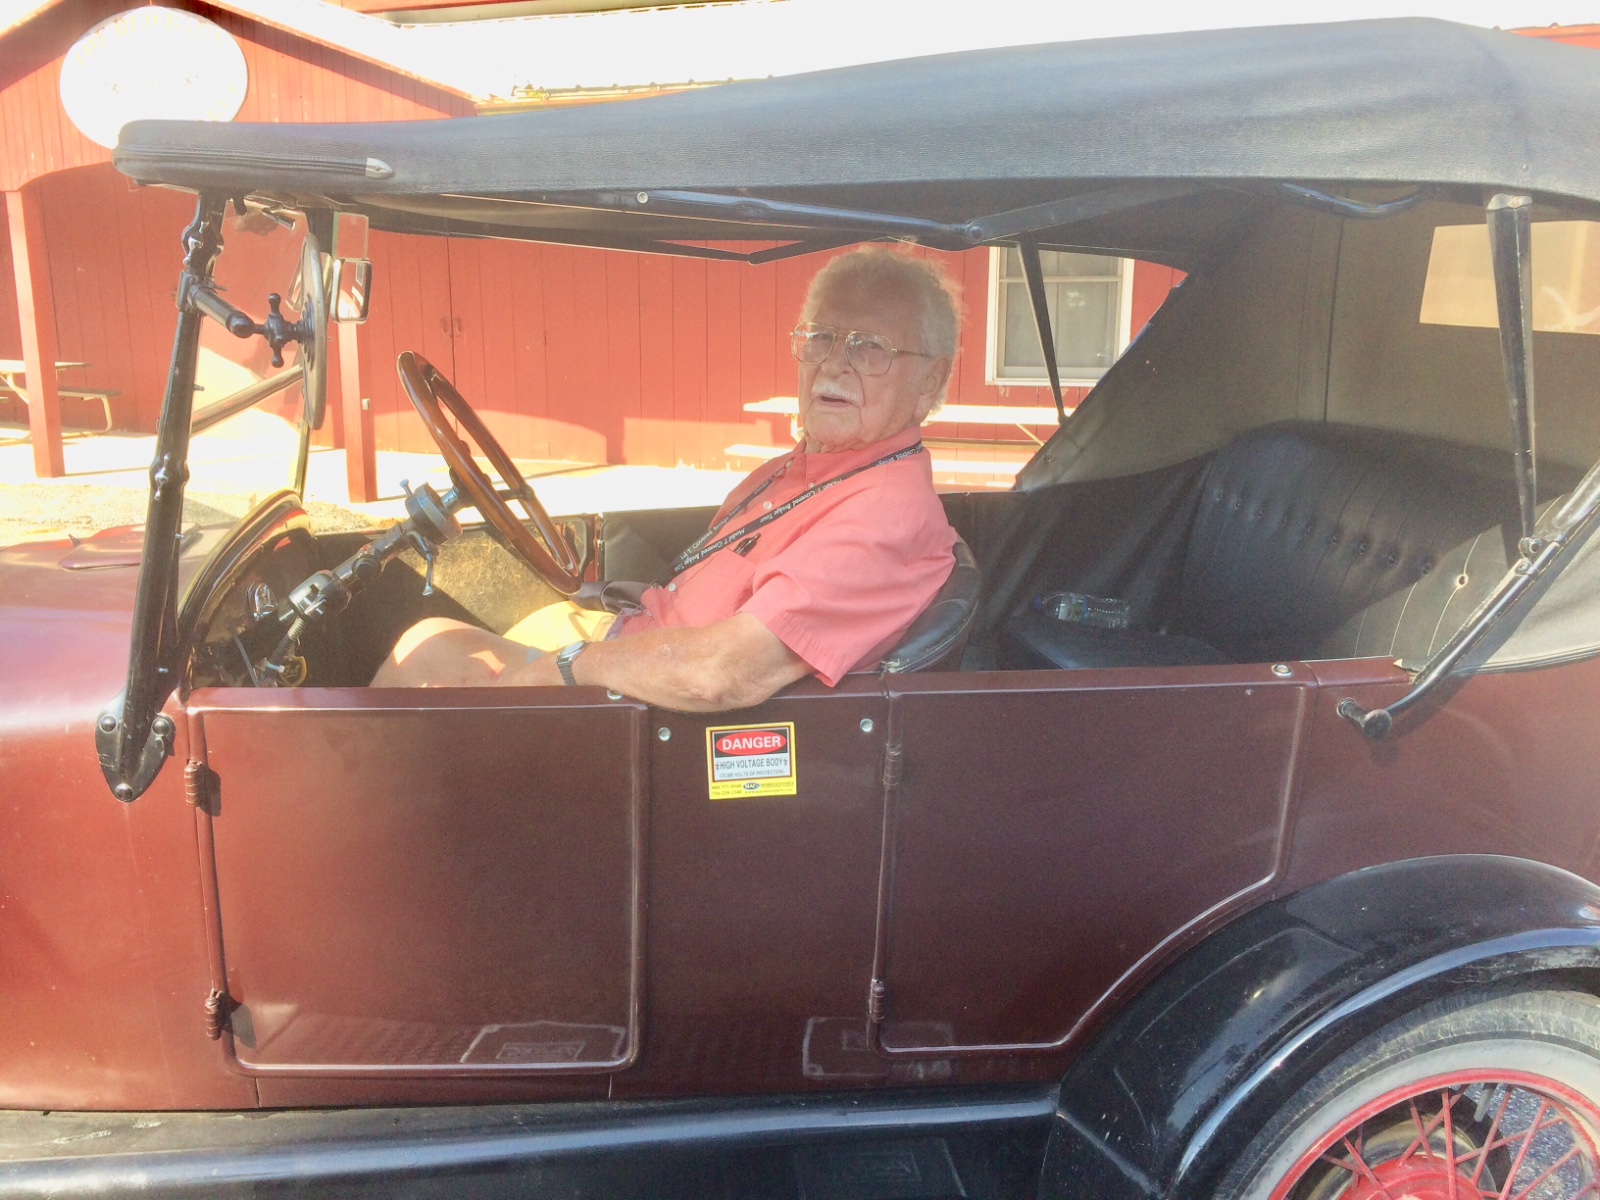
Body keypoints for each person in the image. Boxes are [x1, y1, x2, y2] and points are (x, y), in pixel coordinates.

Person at [372, 247, 961, 709]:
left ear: (930, 382)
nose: (833, 363)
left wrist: (570, 664)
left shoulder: (883, 513)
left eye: (869, 348)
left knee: (422, 658)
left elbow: (720, 673)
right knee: (432, 640)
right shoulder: (804, 469)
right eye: (821, 338)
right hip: (639, 654)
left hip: (658, 719)